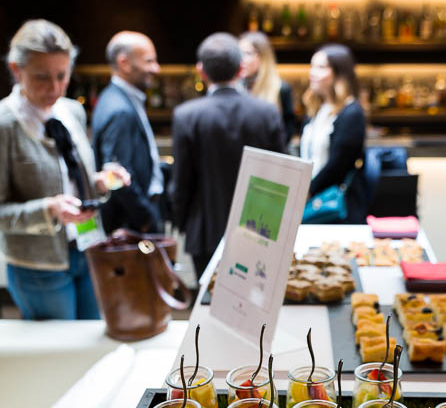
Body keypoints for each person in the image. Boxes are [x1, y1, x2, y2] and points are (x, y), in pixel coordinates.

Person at [0, 19, 129, 320]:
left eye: (63, 76)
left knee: (91, 344)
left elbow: (74, 180)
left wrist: (100, 182)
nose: (55, 88)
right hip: (38, 266)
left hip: (87, 247)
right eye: (42, 77)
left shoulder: (72, 111)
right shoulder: (5, 125)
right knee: (59, 356)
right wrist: (49, 209)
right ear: (16, 70)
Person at [170, 32, 287, 279]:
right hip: (260, 230)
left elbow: (182, 182)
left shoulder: (186, 116)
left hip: (205, 229)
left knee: (210, 305)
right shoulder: (266, 113)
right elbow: (281, 176)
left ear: (201, 71)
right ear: (241, 69)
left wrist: (181, 223)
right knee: (254, 304)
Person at [92, 31, 164, 234]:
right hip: (130, 225)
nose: (156, 69)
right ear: (124, 63)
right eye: (149, 61)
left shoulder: (118, 97)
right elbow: (116, 173)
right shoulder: (119, 109)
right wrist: (146, 217)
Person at [300, 44, 368, 223]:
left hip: (334, 204)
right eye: (312, 66)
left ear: (340, 73)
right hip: (310, 199)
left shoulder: (351, 112)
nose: (312, 73)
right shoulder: (315, 109)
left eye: (321, 67)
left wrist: (308, 191)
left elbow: (337, 166)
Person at [239, 30, 297, 142]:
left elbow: (289, 131)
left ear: (262, 56)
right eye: (238, 53)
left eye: (247, 53)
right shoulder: (236, 88)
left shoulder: (281, 89)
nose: (241, 60)